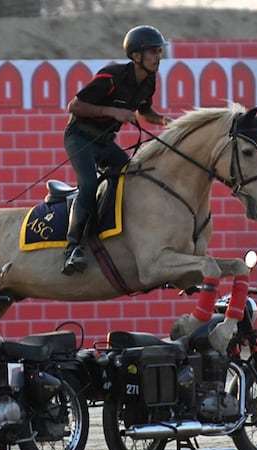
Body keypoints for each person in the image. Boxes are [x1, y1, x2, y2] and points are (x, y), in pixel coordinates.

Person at [61, 25, 173, 275]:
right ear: (136, 56)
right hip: (79, 137)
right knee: (88, 184)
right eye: (153, 51)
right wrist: (113, 111)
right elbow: (75, 105)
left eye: (159, 51)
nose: (159, 56)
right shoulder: (111, 77)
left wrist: (166, 122)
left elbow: (145, 112)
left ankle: (109, 231)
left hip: (103, 141)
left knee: (131, 177)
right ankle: (72, 249)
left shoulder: (149, 82)